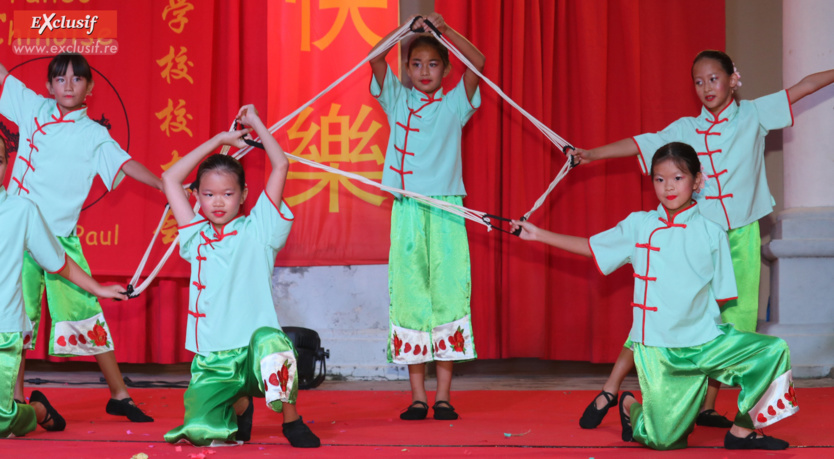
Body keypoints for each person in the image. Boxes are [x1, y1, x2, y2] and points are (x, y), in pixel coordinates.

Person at [573, 50, 834, 430]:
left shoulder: (754, 114)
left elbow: (805, 86)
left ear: (733, 79)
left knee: (735, 324)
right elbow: (639, 143)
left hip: (742, 237)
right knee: (665, 315)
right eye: (699, 81)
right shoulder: (685, 129)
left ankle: (707, 405)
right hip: (693, 240)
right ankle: (611, 387)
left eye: (714, 78)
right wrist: (591, 155)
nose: (707, 87)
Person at [513, 142, 797, 450]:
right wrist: (537, 234)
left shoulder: (713, 231)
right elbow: (592, 246)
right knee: (663, 441)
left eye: (678, 177)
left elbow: (721, 299)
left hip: (706, 343)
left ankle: (743, 430)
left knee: (773, 350)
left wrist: (718, 347)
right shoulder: (640, 225)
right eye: (659, 179)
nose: (668, 187)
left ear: (697, 181)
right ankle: (630, 406)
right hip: (660, 352)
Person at [0, 53, 161, 422]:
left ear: (90, 87)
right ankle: (17, 397)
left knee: (88, 311)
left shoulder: (94, 135)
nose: (68, 85)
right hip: (18, 239)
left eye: (76, 79)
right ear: (48, 86)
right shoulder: (32, 107)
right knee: (17, 320)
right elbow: (4, 75)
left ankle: (119, 394)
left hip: (58, 241)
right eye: (60, 79)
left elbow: (125, 164)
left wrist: (162, 185)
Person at [161, 105, 319, 448]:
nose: (218, 202)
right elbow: (170, 179)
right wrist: (220, 139)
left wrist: (256, 124)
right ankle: (241, 404)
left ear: (244, 196)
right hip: (213, 359)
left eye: (228, 194)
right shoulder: (193, 235)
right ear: (198, 198)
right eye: (208, 194)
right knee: (202, 435)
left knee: (274, 342)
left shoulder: (260, 230)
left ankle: (291, 421)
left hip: (254, 354)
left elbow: (281, 165)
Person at [368, 13, 485, 421]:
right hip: (408, 210)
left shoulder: (455, 104)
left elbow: (479, 63)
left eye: (432, 63)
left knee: (448, 296)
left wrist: (445, 32)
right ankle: (417, 395)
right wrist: (407, 30)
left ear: (445, 68)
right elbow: (374, 57)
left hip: (448, 211)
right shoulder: (397, 99)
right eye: (415, 64)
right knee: (411, 297)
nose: (423, 71)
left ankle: (444, 396)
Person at [0, 135, 129, 437]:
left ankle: (37, 410)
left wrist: (98, 289)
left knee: (2, 422)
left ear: (8, 165)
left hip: (4, 332)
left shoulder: (22, 210)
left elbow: (58, 262)